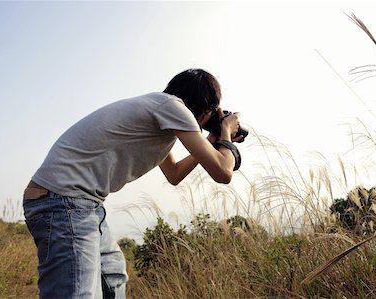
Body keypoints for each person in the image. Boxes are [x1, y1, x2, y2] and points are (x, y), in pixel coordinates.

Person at [23, 68, 244, 299]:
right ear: (206, 108)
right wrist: (226, 130)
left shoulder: (160, 114)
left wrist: (212, 140)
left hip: (82, 204)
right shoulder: (172, 107)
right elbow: (222, 171)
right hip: (64, 200)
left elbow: (174, 173)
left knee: (113, 279)